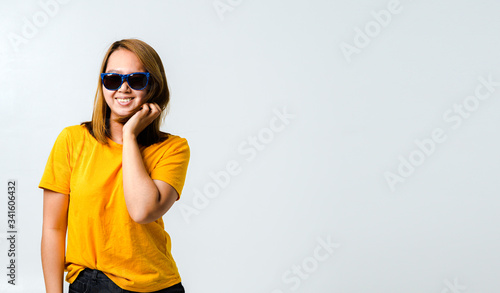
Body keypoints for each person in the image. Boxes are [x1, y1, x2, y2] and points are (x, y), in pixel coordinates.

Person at [39, 39, 190, 293]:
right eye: (112, 79)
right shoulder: (72, 140)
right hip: (90, 284)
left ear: (153, 85)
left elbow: (142, 211)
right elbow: (53, 228)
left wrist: (130, 135)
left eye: (137, 80)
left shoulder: (172, 149)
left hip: (156, 286)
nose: (123, 88)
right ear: (102, 84)